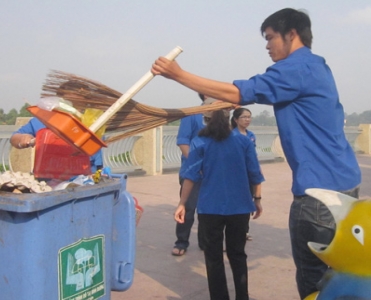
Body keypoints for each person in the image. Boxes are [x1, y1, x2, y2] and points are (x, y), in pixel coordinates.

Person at [152, 8, 361, 299]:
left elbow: (243, 92)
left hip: (319, 196)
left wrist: (178, 75)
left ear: (292, 35)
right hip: (346, 185)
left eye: (271, 37)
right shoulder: (318, 68)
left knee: (315, 281)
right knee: (336, 276)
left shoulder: (296, 67)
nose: (267, 45)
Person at [175, 109, 264, 300]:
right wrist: (257, 200)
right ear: (229, 120)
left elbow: (189, 175)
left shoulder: (200, 142)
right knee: (238, 254)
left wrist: (182, 203)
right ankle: (242, 296)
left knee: (213, 257)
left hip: (210, 208)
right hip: (239, 207)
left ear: (206, 121)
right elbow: (255, 173)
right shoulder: (243, 142)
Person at [172, 93, 207, 256]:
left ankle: (205, 242)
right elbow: (183, 141)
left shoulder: (222, 117)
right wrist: (195, 163)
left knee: (208, 210)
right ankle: (181, 242)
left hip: (212, 172)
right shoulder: (192, 115)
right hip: (192, 171)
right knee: (188, 206)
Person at [10, 117, 103, 173]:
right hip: (47, 179)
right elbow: (14, 138)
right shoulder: (42, 120)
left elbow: (98, 165)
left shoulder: (91, 123)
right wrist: (23, 138)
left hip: (84, 181)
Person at [231, 108, 256, 242]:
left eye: (249, 117)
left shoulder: (251, 135)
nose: (247, 120)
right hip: (236, 175)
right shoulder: (232, 135)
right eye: (244, 117)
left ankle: (244, 230)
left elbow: (253, 156)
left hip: (249, 175)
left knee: (247, 202)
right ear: (236, 120)